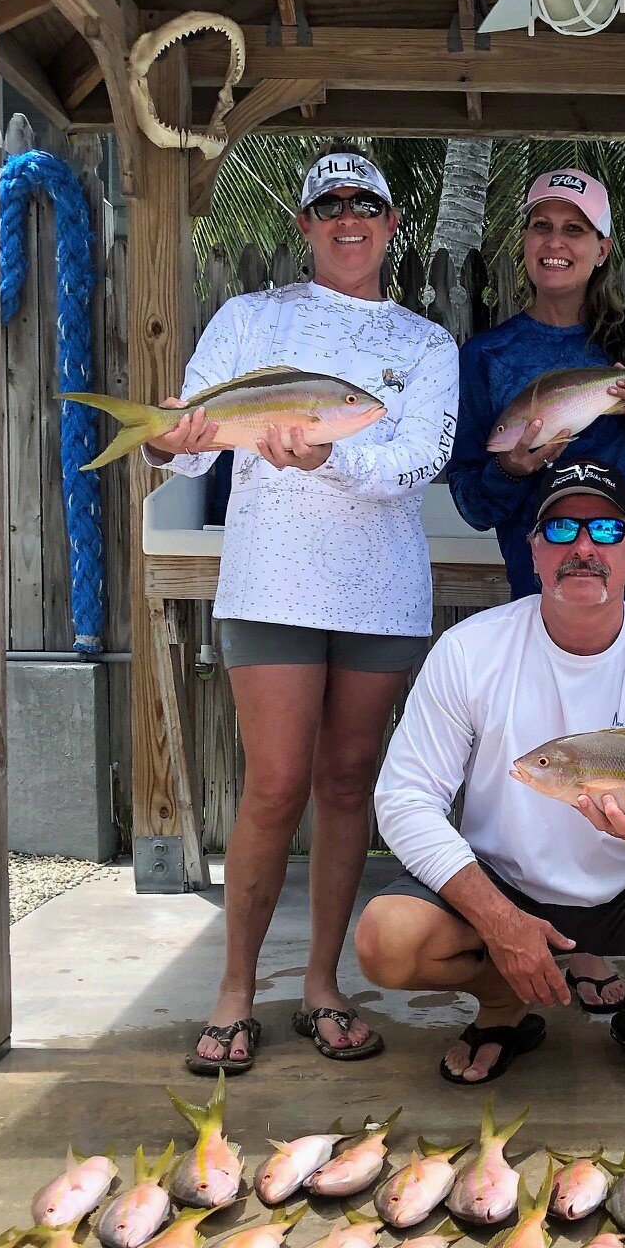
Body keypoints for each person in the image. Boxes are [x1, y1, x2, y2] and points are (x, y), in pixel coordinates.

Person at [143, 149, 459, 1074]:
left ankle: (323, 986)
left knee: (348, 783)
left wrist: (330, 460)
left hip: (381, 590)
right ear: (305, 224)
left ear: (392, 223)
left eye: (367, 203)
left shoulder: (425, 344)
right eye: (330, 205)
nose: (348, 218)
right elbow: (197, 452)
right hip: (271, 581)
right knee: (275, 784)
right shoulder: (250, 319)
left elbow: (418, 462)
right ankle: (235, 991)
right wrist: (172, 435)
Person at [360, 460, 625, 1089]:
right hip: (504, 880)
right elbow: (405, 799)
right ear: (534, 552)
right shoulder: (471, 651)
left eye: (604, 531)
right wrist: (498, 919)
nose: (582, 548)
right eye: (560, 530)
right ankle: (503, 1003)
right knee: (387, 939)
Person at [445, 167, 625, 1017]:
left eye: (574, 228)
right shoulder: (488, 356)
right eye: (541, 226)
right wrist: (511, 467)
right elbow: (471, 495)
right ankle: (569, 941)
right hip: (552, 595)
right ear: (521, 245)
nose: (554, 242)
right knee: (560, 767)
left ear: (601, 250)